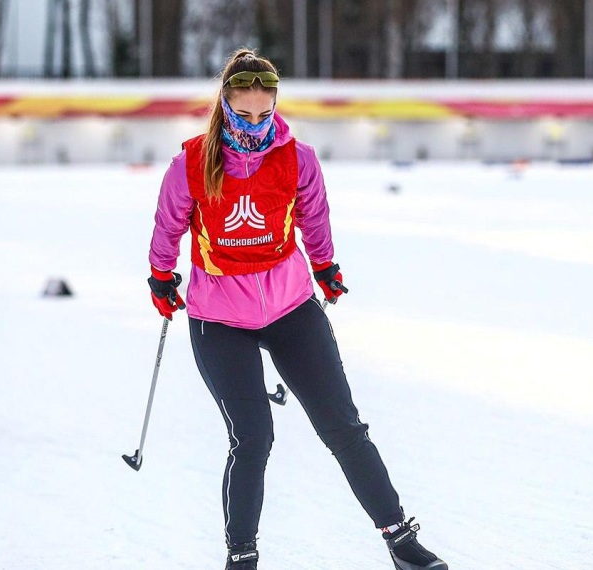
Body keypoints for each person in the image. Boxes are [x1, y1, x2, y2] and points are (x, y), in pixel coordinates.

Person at [147, 49, 448, 570]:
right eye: (245, 115)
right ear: (225, 106)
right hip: (218, 319)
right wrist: (160, 276)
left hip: (290, 306)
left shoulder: (297, 157)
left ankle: (401, 539)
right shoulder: (192, 162)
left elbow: (314, 216)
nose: (256, 125)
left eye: (266, 114)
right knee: (254, 437)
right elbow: (167, 225)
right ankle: (241, 556)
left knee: (343, 427)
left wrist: (326, 265)